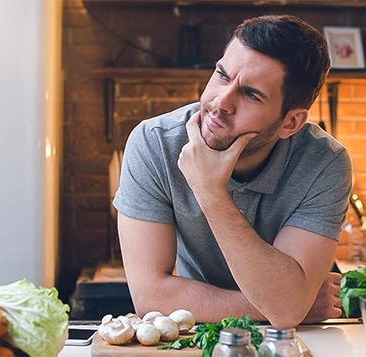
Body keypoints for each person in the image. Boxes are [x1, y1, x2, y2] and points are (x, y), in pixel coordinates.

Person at [113, 14, 352, 327]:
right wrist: (287, 306)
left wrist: (210, 192)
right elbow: (151, 298)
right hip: (197, 338)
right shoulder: (154, 143)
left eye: (251, 94)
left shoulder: (325, 164)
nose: (221, 102)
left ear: (290, 122)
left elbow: (286, 309)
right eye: (222, 76)